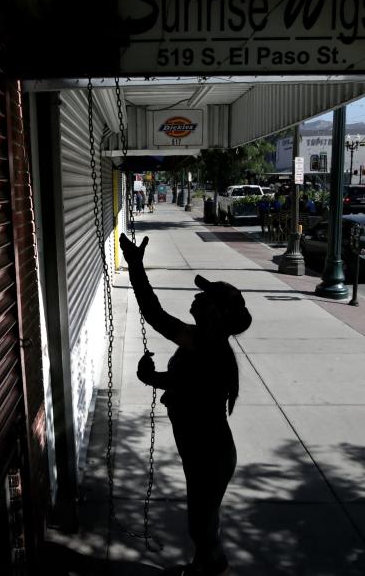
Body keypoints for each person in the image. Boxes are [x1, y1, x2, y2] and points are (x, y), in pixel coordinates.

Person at [119, 233, 252, 576]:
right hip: (203, 450)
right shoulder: (204, 345)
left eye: (205, 297)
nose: (197, 296)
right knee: (203, 523)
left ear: (217, 314)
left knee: (201, 525)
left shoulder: (206, 346)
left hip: (210, 453)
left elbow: (154, 314)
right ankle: (203, 566)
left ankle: (212, 568)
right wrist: (152, 378)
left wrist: (136, 267)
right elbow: (186, 387)